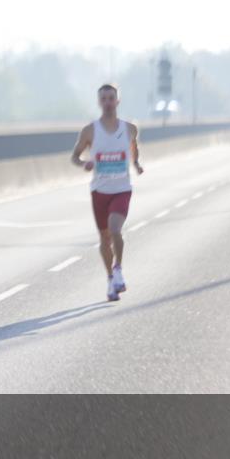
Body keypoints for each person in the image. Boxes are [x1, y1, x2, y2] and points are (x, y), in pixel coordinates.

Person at [70, 84, 143, 301]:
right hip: (99, 191)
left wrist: (136, 163)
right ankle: (110, 278)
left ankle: (119, 268)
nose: (108, 102)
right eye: (104, 98)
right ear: (99, 102)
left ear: (118, 101)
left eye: (111, 98)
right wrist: (84, 163)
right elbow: (74, 156)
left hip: (121, 189)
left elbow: (133, 147)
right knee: (104, 237)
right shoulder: (89, 131)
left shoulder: (129, 128)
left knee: (115, 229)